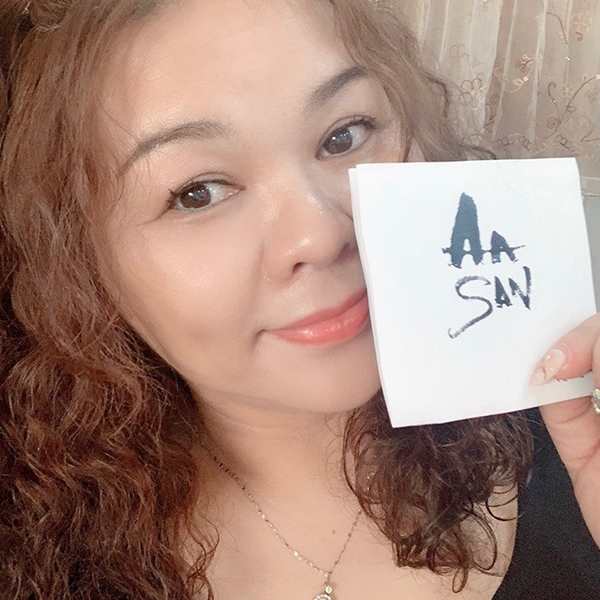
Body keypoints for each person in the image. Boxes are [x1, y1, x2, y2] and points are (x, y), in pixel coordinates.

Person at [1, 1, 599, 599]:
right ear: (80, 263)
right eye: (197, 193)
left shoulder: (571, 436)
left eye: (344, 135)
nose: (320, 235)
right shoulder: (33, 550)